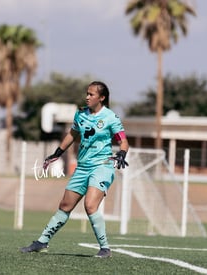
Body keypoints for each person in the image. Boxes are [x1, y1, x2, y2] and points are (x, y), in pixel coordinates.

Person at [20, 81, 129, 258]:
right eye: (87, 93)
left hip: (102, 166)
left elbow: (123, 140)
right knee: (65, 206)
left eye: (91, 94)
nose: (87, 97)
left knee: (90, 205)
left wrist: (122, 153)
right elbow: (72, 135)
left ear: (101, 98)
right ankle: (42, 242)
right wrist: (56, 153)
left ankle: (105, 248)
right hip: (83, 167)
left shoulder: (110, 117)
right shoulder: (80, 114)